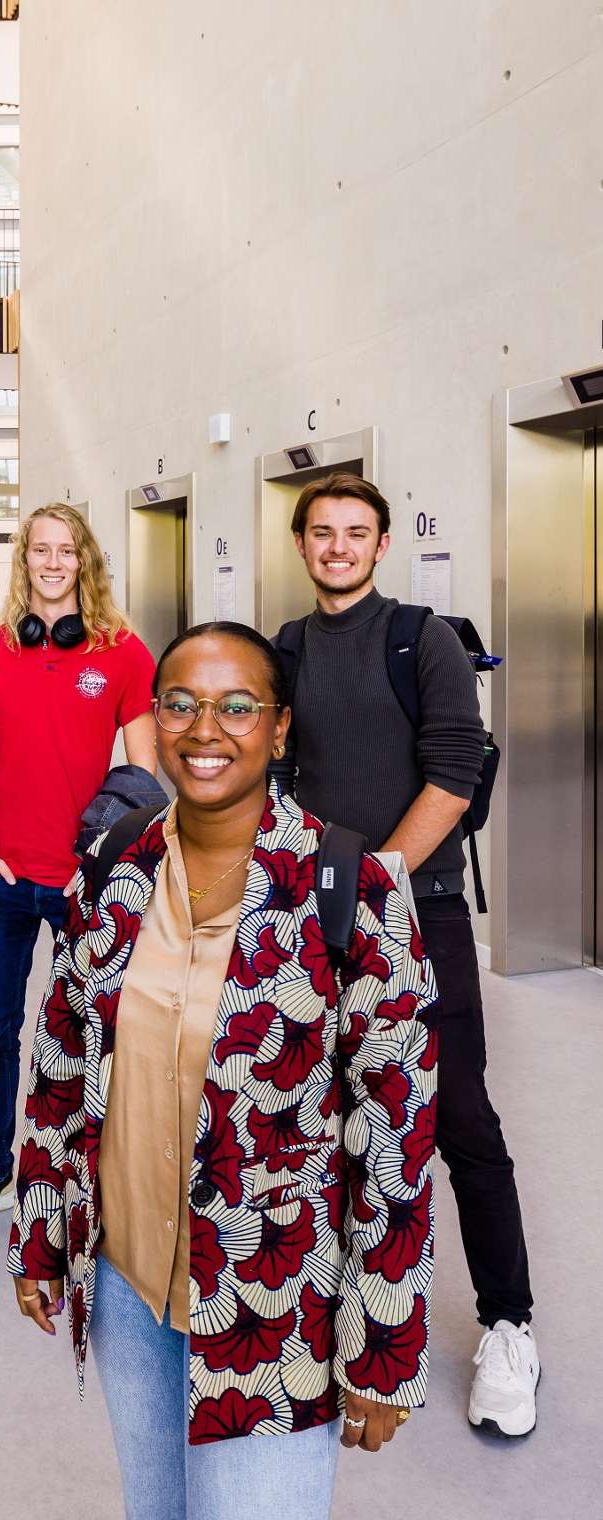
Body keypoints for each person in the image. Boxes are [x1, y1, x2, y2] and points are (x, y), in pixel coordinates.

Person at [11, 622, 438, 1520]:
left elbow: (395, 1133)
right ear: (155, 720)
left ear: (279, 729)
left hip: (272, 1308)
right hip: (129, 1286)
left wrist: (386, 1346)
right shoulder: (117, 865)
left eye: (237, 706)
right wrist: (42, 1231)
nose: (206, 730)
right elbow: (61, 1058)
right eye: (182, 704)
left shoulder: (350, 890)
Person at [280, 471, 538, 1437]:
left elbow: (456, 768)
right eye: (322, 532)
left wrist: (378, 873)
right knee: (329, 1114)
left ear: (379, 545)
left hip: (415, 912)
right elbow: (273, 770)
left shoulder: (420, 638)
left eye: (356, 532)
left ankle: (509, 1326)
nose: (338, 546)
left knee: (458, 1116)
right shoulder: (289, 648)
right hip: (315, 917)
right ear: (303, 545)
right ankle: (340, 1315)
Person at [0, 504, 157, 1230]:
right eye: (40, 551)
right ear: (24, 561)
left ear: (85, 560)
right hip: (5, 880)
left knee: (95, 1031)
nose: (53, 562)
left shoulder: (123, 653)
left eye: (67, 550)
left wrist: (116, 864)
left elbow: (144, 772)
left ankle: (87, 1180)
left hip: (89, 883)